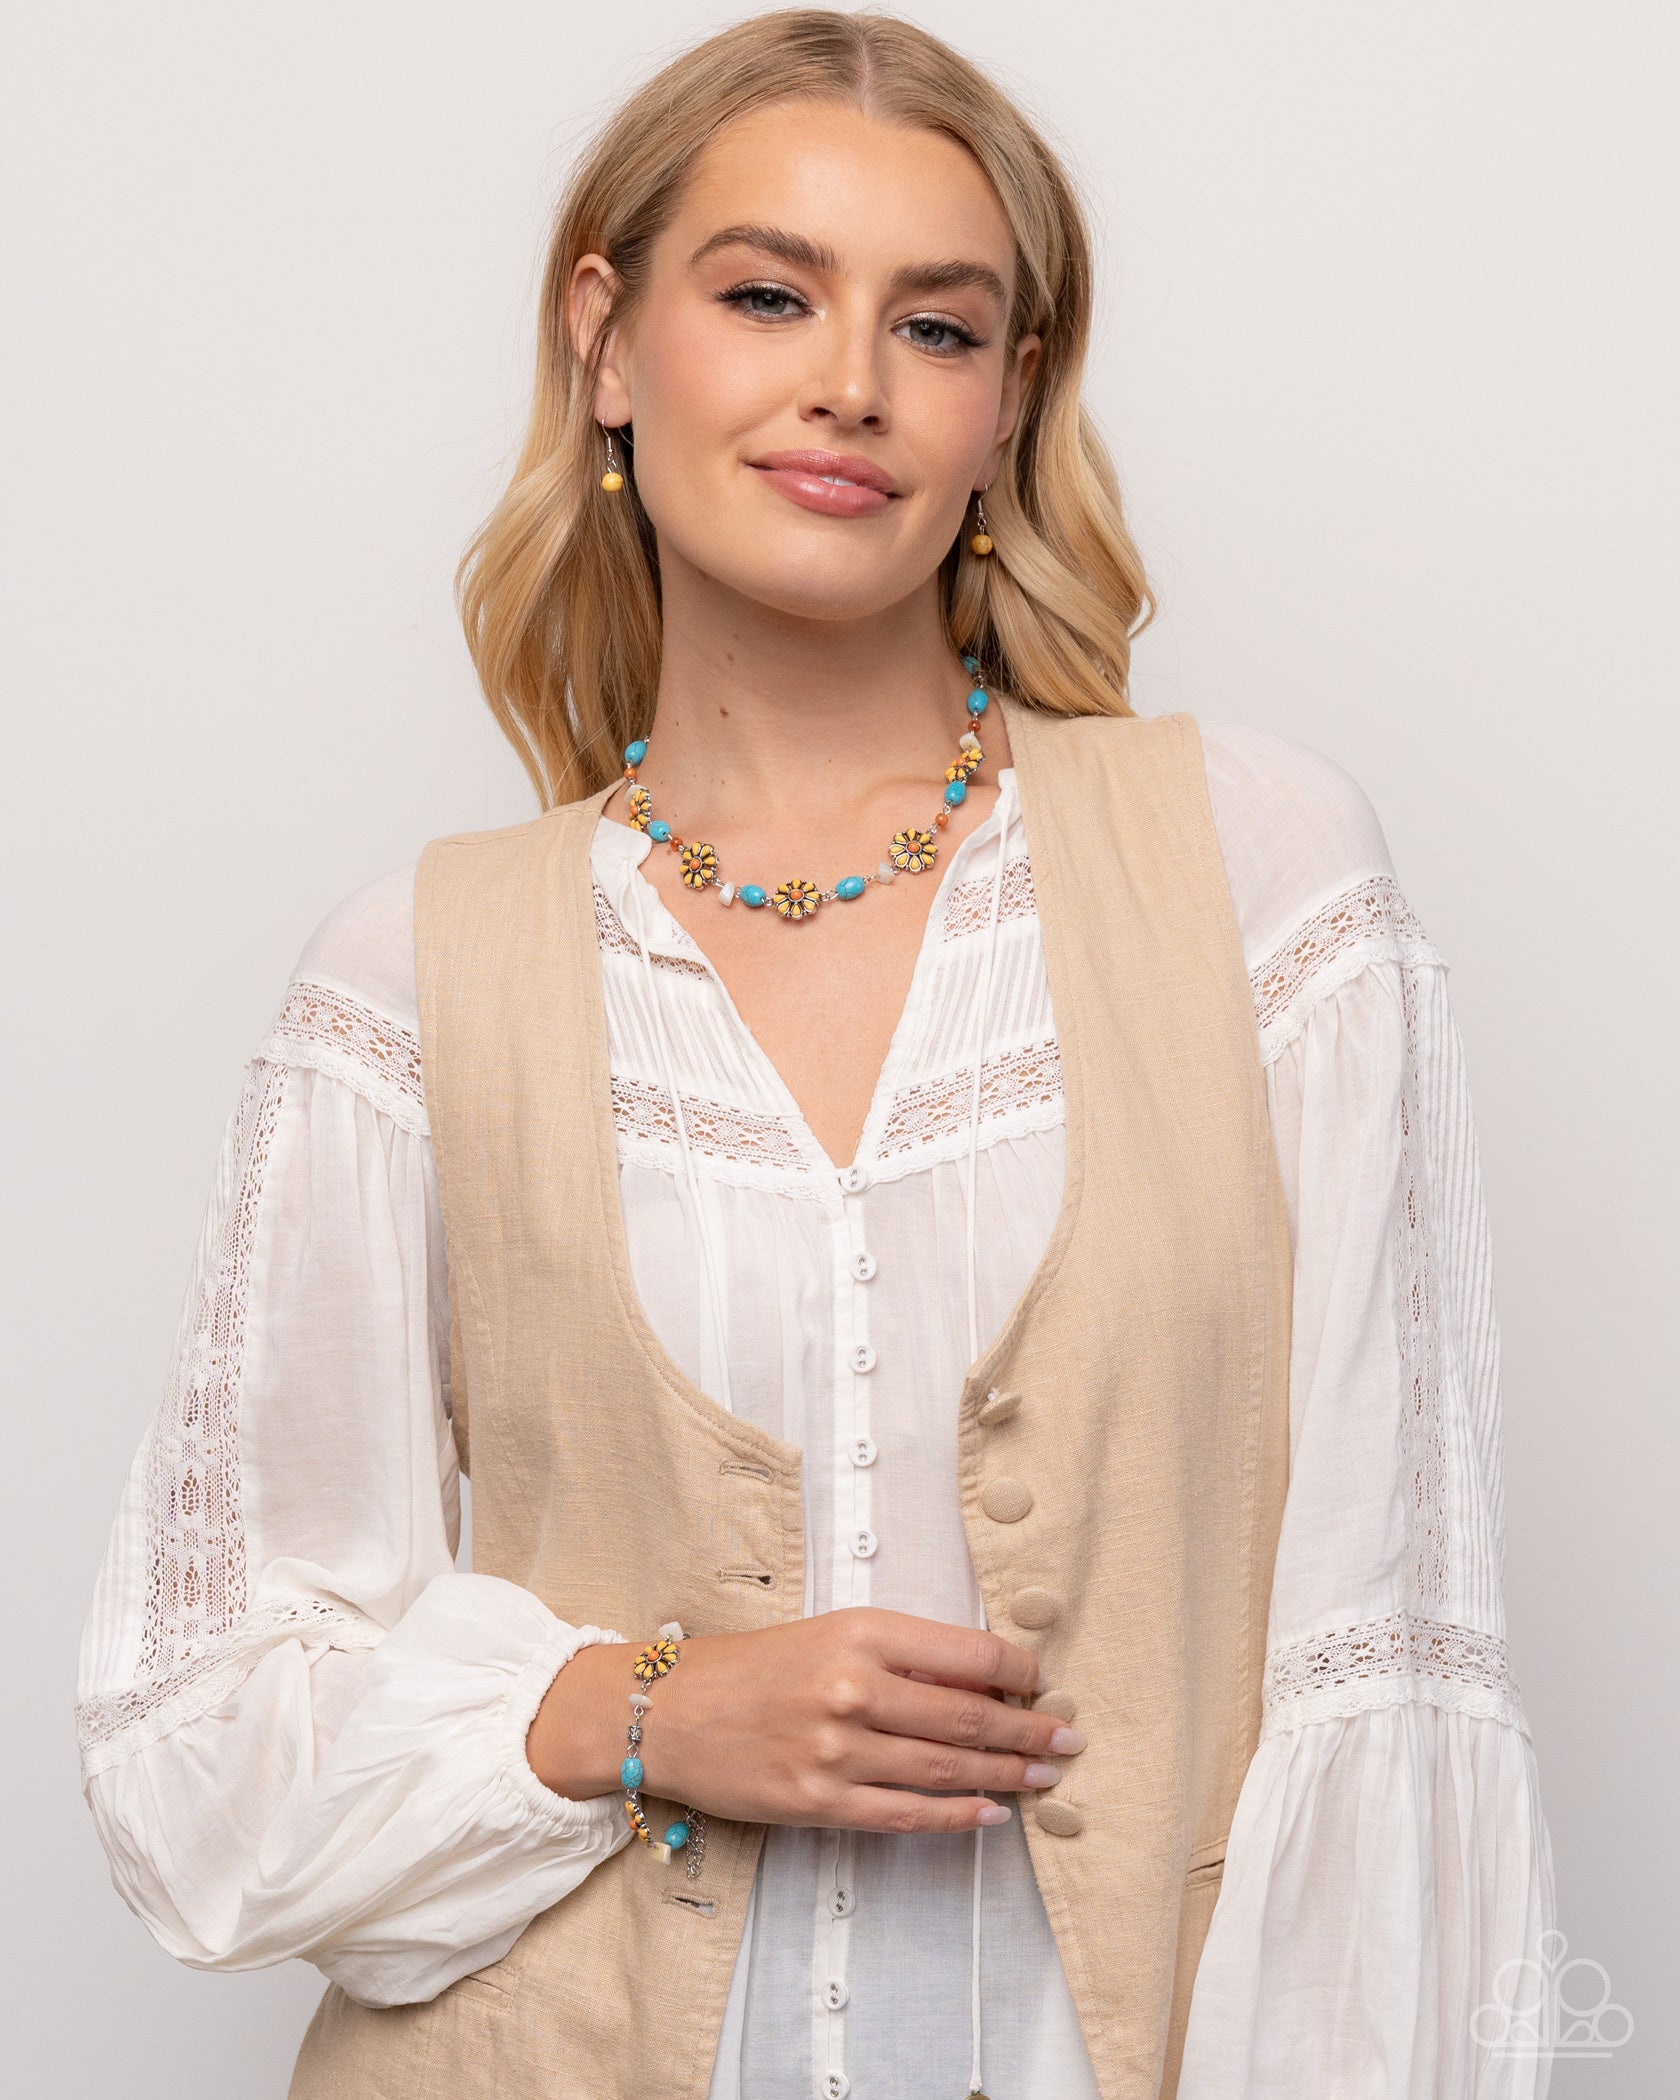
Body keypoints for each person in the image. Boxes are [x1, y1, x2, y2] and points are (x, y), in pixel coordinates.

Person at [74, 11, 1554, 2097]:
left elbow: (1386, 1652)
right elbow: (198, 1744)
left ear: (1008, 401)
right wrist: (642, 1709)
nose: (851, 379)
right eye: (767, 294)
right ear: (608, 340)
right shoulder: (408, 977)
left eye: (937, 327)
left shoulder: (1261, 881)